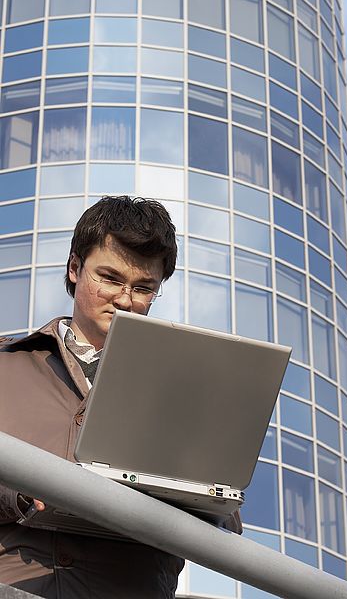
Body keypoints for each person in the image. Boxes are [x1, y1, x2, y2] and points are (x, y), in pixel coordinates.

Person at [0, 196, 242, 598]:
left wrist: (190, 497)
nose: (126, 300)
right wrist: (22, 488)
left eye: (144, 287)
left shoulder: (186, 393)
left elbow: (227, 522)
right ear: (75, 268)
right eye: (110, 278)